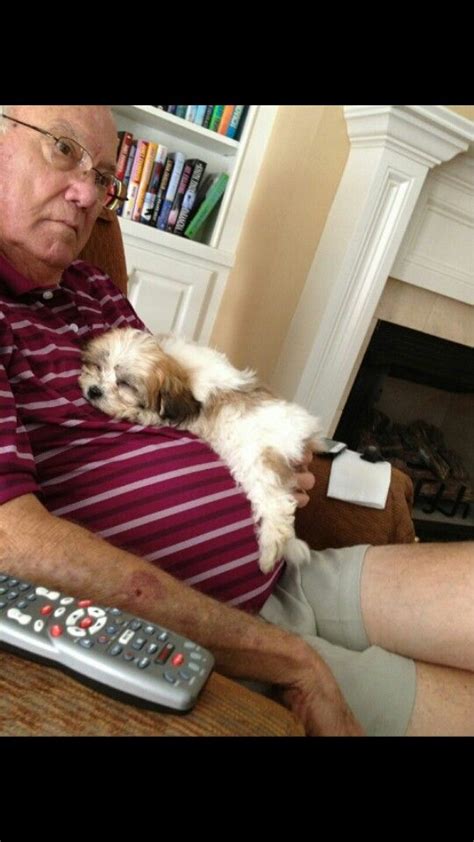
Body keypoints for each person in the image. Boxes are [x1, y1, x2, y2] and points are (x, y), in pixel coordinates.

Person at [1, 105, 473, 738]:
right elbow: (17, 544)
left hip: (286, 569)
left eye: (105, 176)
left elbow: (182, 405)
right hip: (212, 632)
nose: (88, 193)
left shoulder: (93, 286)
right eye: (62, 149)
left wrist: (274, 463)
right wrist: (293, 661)